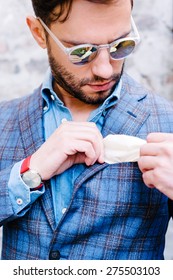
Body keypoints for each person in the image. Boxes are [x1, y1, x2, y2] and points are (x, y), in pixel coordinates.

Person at [0, 0, 173, 260]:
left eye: (120, 45)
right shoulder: (5, 119)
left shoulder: (168, 121)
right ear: (39, 33)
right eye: (82, 52)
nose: (105, 70)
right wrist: (28, 173)